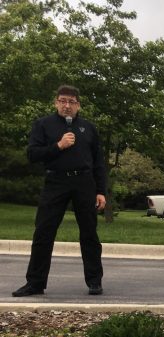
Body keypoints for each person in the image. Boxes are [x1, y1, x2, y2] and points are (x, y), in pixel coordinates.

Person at [12, 85, 107, 297]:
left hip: (84, 182)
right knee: (43, 232)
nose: (67, 106)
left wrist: (101, 191)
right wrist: (59, 146)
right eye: (63, 101)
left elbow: (98, 162)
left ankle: (94, 281)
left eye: (72, 102)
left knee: (89, 233)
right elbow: (33, 154)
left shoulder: (89, 128)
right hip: (55, 181)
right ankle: (35, 283)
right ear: (56, 102)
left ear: (78, 106)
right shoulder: (43, 125)